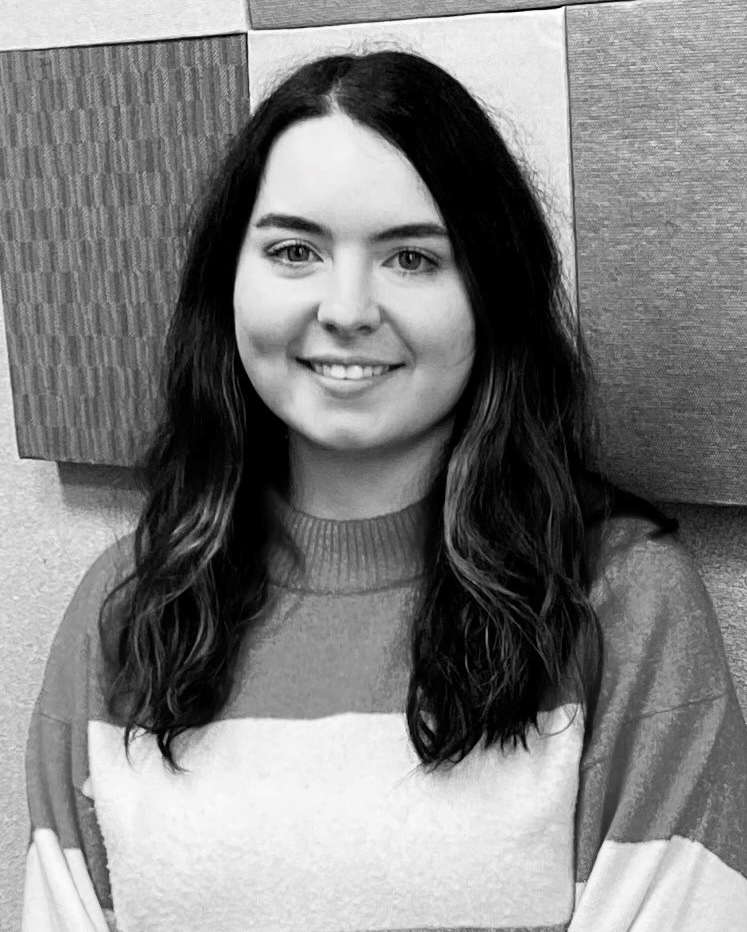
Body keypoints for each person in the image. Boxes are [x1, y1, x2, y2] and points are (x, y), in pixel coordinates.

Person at [23, 49, 747, 932]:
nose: (347, 307)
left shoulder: (622, 602)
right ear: (229, 281)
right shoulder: (127, 605)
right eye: (294, 250)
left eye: (410, 258)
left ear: (490, 292)